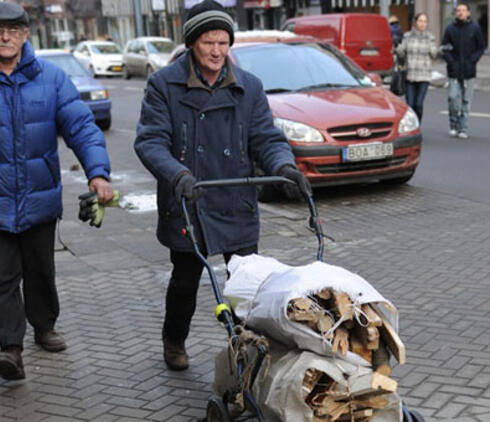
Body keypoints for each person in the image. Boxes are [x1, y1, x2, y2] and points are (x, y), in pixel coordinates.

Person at [134, 0, 311, 371]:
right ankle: (174, 339)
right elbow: (150, 141)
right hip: (188, 199)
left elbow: (266, 137)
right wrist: (177, 174)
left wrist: (285, 166)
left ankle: (246, 349)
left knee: (247, 285)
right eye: (208, 43)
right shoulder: (164, 84)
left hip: (234, 199)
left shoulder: (249, 87)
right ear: (192, 43)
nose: (217, 51)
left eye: (223, 43)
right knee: (184, 282)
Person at [0, 2, 114, 381]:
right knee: (3, 277)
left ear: (25, 35)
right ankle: (10, 349)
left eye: (13, 30)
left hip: (39, 196)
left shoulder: (51, 78)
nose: (4, 36)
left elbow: (81, 127)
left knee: (40, 272)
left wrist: (97, 173)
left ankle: (44, 326)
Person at [442, 2, 485, 139]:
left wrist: (472, 61)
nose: (460, 12)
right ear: (456, 13)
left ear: (468, 13)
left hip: (469, 71)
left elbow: (481, 47)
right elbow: (445, 48)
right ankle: (453, 124)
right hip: (454, 71)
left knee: (466, 102)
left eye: (463, 10)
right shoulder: (450, 29)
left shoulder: (475, 28)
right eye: (458, 10)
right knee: (453, 98)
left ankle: (463, 128)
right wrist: (451, 62)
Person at [395, 13, 439, 123]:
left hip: (424, 75)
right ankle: (411, 125)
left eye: (425, 21)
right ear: (415, 23)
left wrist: (435, 49)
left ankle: (417, 124)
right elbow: (401, 53)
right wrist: (398, 47)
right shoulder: (407, 36)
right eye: (420, 21)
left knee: (418, 104)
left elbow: (434, 54)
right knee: (410, 104)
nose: (422, 24)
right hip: (410, 75)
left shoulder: (430, 37)